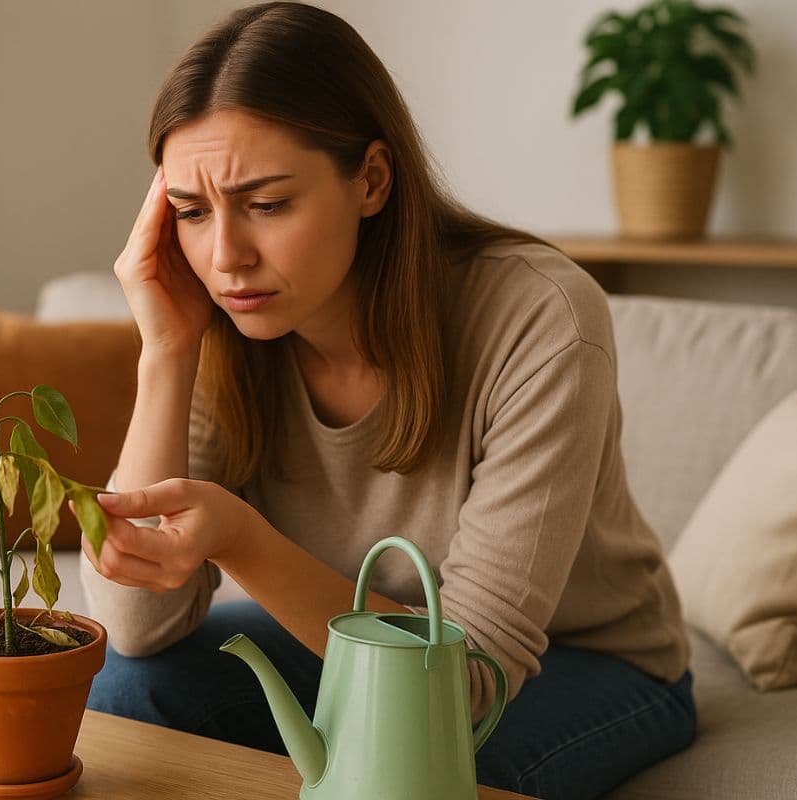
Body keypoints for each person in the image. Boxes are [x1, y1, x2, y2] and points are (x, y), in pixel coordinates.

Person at [76, 3, 696, 798]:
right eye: (192, 212)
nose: (225, 256)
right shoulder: (222, 327)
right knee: (121, 698)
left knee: (409, 772)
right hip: (344, 633)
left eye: (267, 204)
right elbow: (138, 629)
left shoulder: (541, 317)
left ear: (371, 179)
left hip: (575, 660)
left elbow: (462, 683)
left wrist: (242, 539)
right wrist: (167, 352)